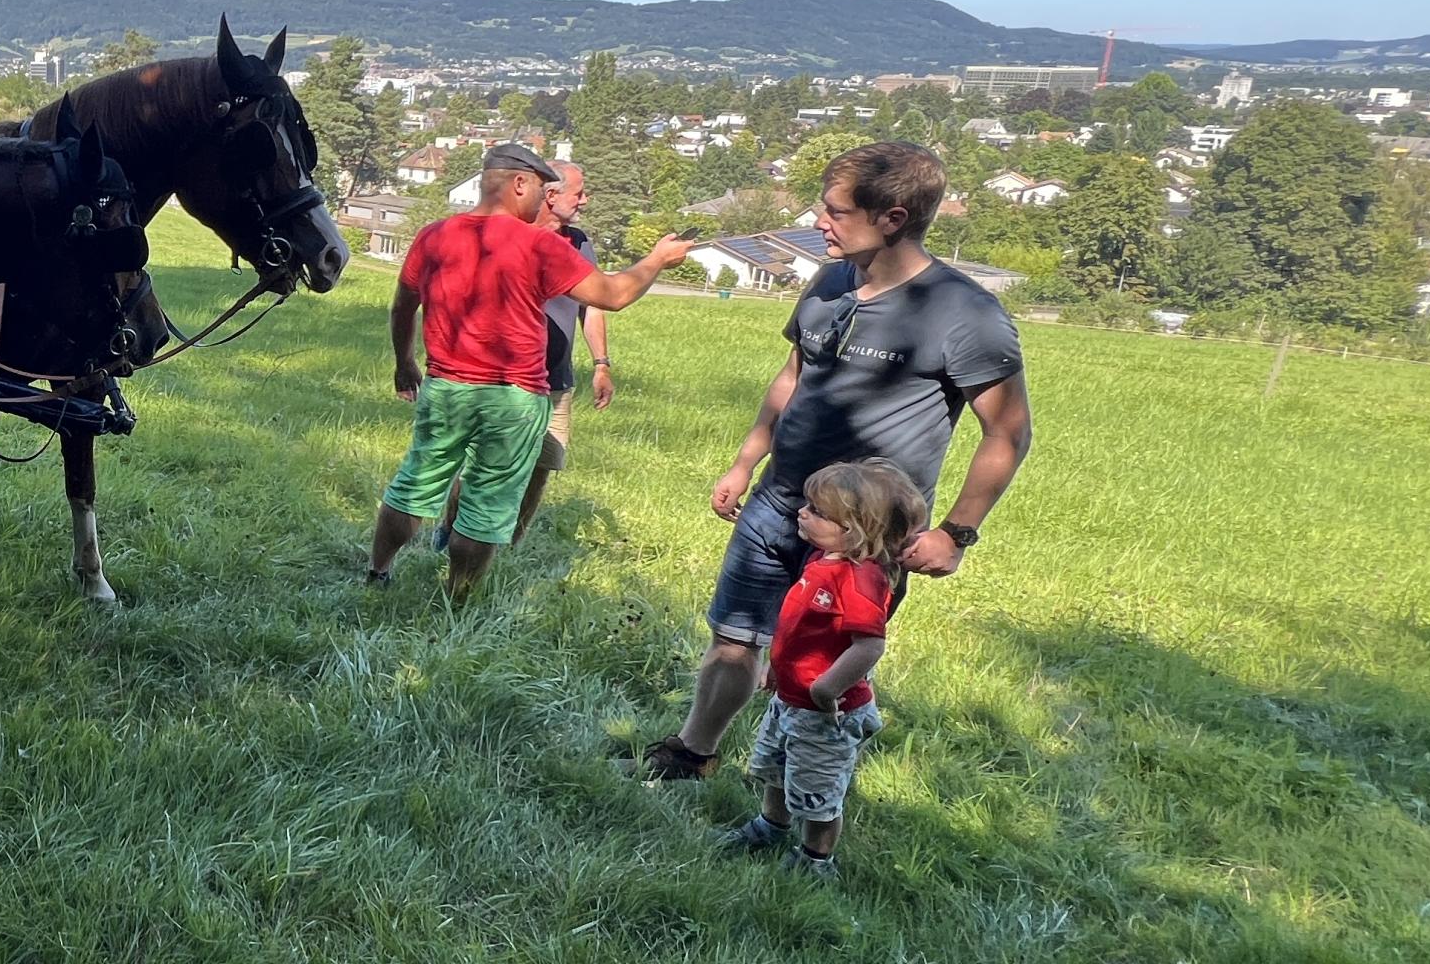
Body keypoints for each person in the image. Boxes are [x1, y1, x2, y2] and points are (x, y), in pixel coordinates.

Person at [636, 141, 1034, 782]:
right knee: (733, 638)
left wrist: (956, 532)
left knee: (821, 669)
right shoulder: (829, 280)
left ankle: (798, 803)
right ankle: (693, 753)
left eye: (834, 211)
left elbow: (1008, 433)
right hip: (776, 502)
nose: (818, 221)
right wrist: (744, 463)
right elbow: (792, 376)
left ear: (893, 218)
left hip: (864, 537)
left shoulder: (964, 315)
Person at [367, 143, 693, 601]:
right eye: (542, 189)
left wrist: (405, 361)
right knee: (486, 505)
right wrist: (656, 260)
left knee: (414, 483)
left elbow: (404, 304)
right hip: (513, 397)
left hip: (445, 388)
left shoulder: (433, 235)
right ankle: (457, 600)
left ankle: (377, 572)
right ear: (519, 183)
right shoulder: (539, 244)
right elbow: (614, 295)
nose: (544, 200)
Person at [713, 457, 923, 881]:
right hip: (791, 698)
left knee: (819, 786)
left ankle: (815, 859)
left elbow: (869, 645)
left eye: (817, 511)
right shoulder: (824, 560)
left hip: (824, 710)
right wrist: (776, 667)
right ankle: (771, 826)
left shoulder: (860, 578)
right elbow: (802, 627)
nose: (801, 513)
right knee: (779, 768)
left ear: (855, 529)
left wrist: (828, 690)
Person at [429, 159, 612, 560]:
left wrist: (601, 363)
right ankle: (453, 525)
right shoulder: (513, 237)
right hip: (504, 379)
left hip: (557, 381)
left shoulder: (579, 243)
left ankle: (510, 543)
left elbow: (595, 306)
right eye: (578, 193)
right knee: (483, 463)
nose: (584, 200)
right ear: (550, 195)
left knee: (543, 466)